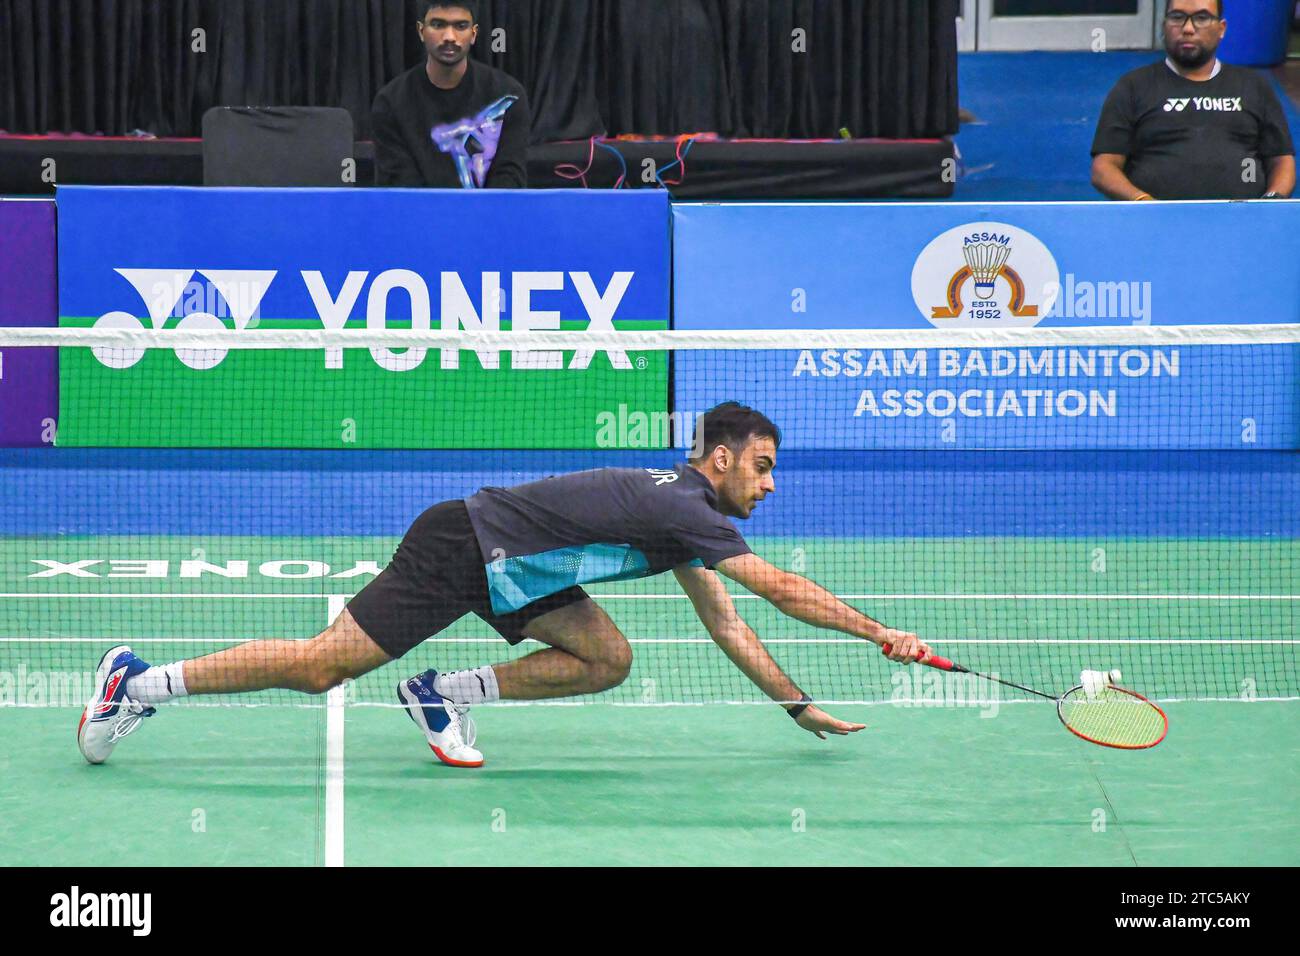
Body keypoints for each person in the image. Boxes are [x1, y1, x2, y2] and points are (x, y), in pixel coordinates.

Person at [76, 403, 931, 768]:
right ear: (721, 458)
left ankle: (440, 695)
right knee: (320, 667)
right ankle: (138, 683)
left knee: (607, 658)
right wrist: (882, 634)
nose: (770, 484)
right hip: (465, 546)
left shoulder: (682, 521)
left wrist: (793, 703)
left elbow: (732, 626)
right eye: (763, 466)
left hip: (522, 572)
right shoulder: (693, 509)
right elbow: (781, 591)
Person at [1091, 0, 1295, 201]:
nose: (1188, 28)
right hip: (1155, 225)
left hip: (1241, 222)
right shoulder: (1132, 86)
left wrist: (1272, 203)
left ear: (1221, 28)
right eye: (1177, 17)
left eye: (1202, 18)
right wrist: (1143, 202)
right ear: (1164, 26)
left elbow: (1281, 160)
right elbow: (1104, 167)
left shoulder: (1254, 86)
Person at [372, 1, 530, 188]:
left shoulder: (508, 95)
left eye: (460, 26)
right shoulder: (390, 102)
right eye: (438, 25)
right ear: (421, 31)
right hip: (419, 216)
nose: (449, 37)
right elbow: (400, 189)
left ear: (474, 33)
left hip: (489, 215)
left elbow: (510, 180)